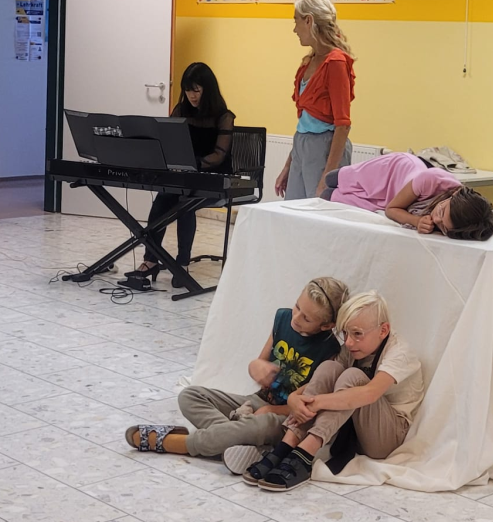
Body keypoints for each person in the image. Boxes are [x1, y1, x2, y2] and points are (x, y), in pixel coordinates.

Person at [124, 277, 349, 473]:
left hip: (284, 419)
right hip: (257, 401)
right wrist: (256, 367)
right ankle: (236, 442)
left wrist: (271, 411)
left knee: (260, 425)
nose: (296, 317)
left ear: (326, 325)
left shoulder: (330, 351)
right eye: (297, 306)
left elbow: (305, 408)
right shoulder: (283, 318)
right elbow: (259, 363)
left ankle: (177, 443)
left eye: (307, 318)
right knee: (189, 395)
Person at [240, 291, 424, 492]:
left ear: (383, 330)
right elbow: (323, 378)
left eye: (357, 334)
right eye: (345, 333)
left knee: (353, 377)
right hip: (352, 429)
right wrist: (294, 398)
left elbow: (370, 393)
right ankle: (287, 444)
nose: (349, 342)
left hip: (387, 437)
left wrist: (317, 402)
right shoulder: (351, 348)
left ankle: (305, 454)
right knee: (330, 367)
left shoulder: (400, 353)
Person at [125, 62, 234, 287]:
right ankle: (151, 259)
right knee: (162, 199)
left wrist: (192, 165)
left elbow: (219, 155)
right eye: (187, 90)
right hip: (185, 176)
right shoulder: (181, 110)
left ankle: (182, 263)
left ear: (207, 89)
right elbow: (169, 142)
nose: (191, 96)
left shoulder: (223, 116)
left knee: (186, 202)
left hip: (212, 178)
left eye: (196, 90)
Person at [322, 152, 493, 241]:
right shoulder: (432, 179)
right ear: (453, 195)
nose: (436, 220)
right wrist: (416, 221)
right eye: (441, 212)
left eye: (443, 227)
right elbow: (391, 209)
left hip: (395, 196)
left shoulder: (460, 221)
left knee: (329, 196)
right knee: (332, 180)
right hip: (394, 171)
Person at [275, 0, 355, 200]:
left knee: (318, 210)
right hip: (302, 145)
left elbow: (343, 125)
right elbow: (305, 122)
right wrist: (288, 165)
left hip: (325, 147)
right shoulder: (309, 61)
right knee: (292, 209)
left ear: (308, 21)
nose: (294, 29)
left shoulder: (335, 62)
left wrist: (327, 177)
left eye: (296, 21)